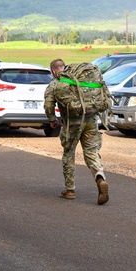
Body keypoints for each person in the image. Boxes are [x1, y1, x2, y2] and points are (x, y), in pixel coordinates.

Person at [43, 58, 110, 204]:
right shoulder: (80, 79)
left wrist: (52, 120)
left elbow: (48, 105)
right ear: (64, 67)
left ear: (53, 71)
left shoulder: (55, 83)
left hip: (71, 123)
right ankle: (100, 177)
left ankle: (70, 189)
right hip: (91, 120)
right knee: (92, 152)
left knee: (69, 154)